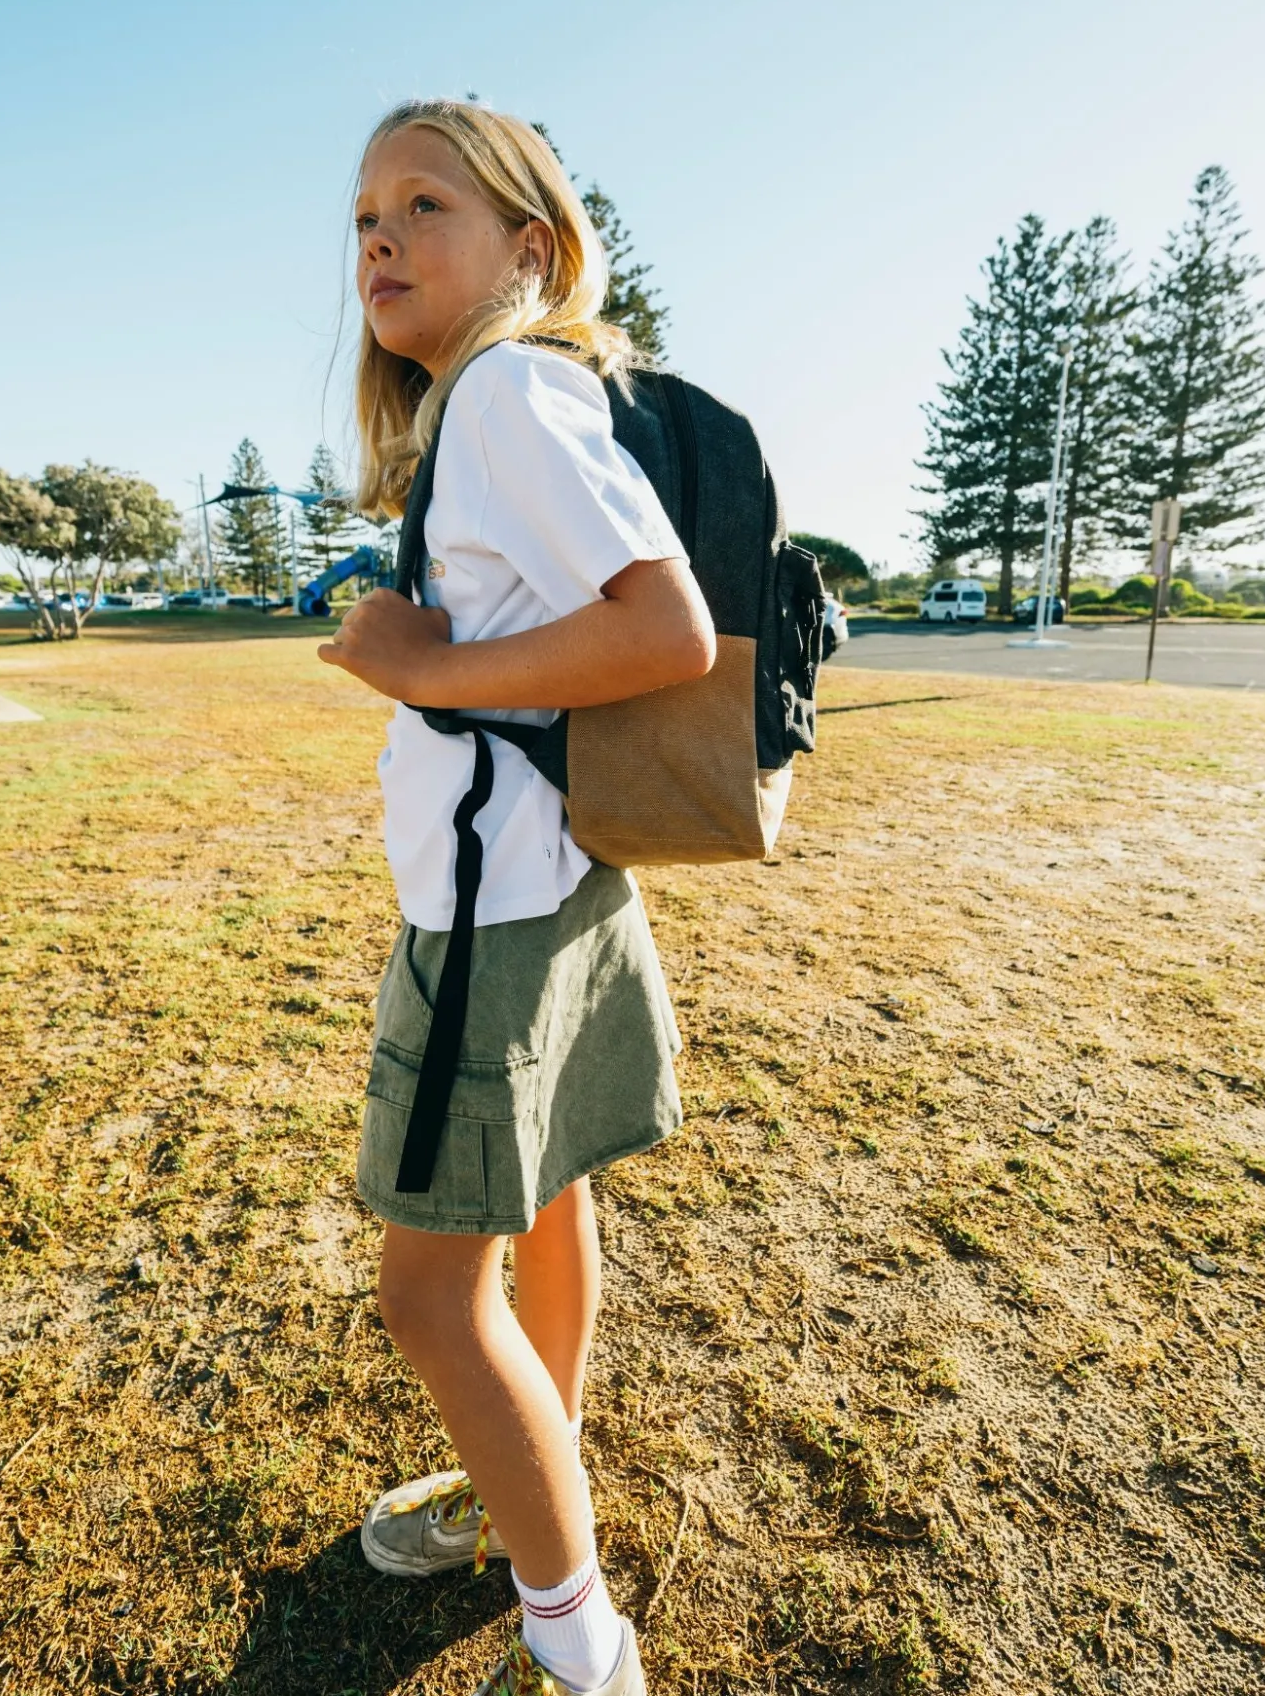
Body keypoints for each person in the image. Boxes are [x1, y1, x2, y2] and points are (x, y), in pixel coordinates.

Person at [318, 99, 715, 1696]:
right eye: (362, 219)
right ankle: (528, 1503)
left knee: (427, 1290)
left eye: (424, 204)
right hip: (555, 891)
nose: (380, 240)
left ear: (530, 249)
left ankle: (577, 1641)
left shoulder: (501, 392)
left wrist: (427, 667)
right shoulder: (504, 404)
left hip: (492, 920)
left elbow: (665, 628)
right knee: (548, 1199)